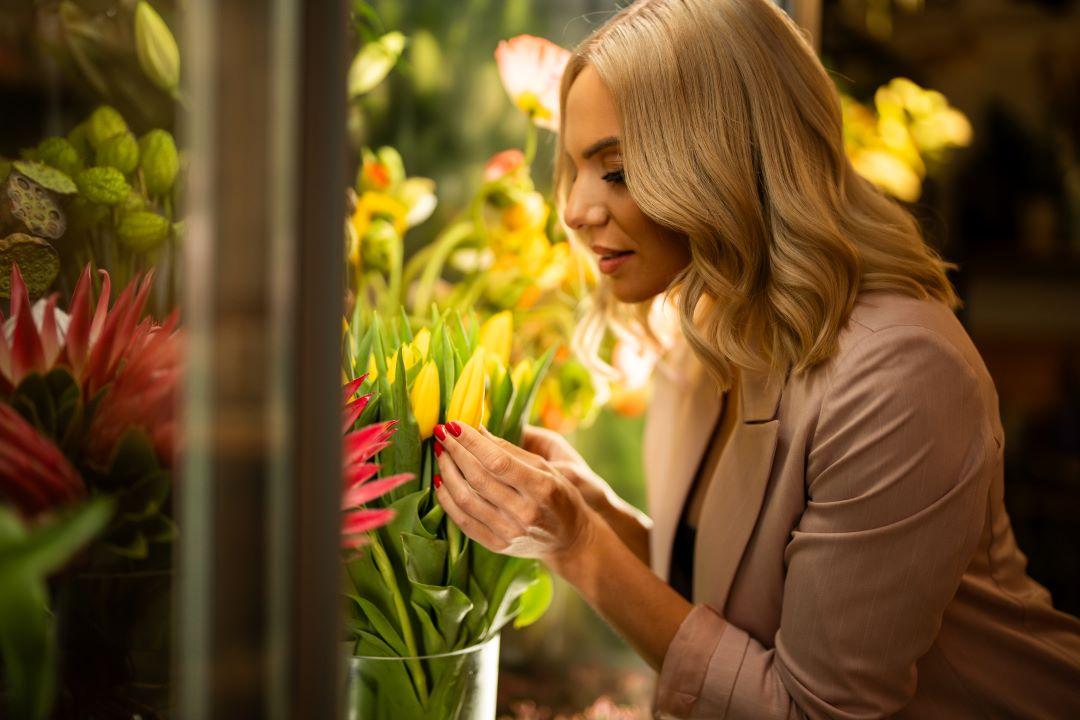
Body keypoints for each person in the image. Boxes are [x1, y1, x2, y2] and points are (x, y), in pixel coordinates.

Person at [430, 0, 1080, 717]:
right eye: (577, 168)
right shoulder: (706, 324)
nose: (577, 210)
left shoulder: (899, 374)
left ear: (727, 159)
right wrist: (588, 508)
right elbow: (738, 604)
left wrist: (580, 546)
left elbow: (814, 709)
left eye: (615, 171)